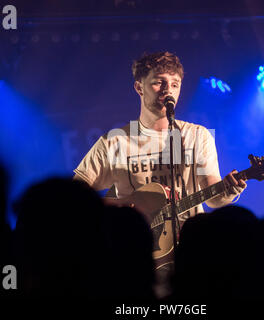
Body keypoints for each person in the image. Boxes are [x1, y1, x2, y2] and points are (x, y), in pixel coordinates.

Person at [73, 51, 247, 298]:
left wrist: (230, 191)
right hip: (135, 259)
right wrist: (121, 210)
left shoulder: (197, 136)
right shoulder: (116, 141)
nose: (168, 89)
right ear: (139, 87)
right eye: (159, 82)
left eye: (175, 84)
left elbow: (212, 197)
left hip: (190, 257)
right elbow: (75, 198)